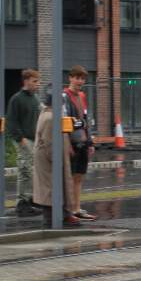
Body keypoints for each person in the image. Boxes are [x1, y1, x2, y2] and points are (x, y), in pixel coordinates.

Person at [34, 96, 79, 225]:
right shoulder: (51, 118)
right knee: (51, 188)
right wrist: (57, 159)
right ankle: (53, 218)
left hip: (46, 158)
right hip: (49, 159)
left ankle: (62, 215)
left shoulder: (45, 114)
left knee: (51, 187)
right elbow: (49, 142)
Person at [62, 66, 97, 220]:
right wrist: (67, 144)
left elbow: (85, 120)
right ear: (70, 78)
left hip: (83, 142)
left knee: (79, 176)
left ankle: (76, 208)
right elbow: (64, 123)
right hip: (71, 143)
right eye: (77, 78)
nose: (80, 81)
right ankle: (68, 209)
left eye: (82, 79)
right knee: (69, 178)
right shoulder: (64, 96)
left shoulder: (82, 96)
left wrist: (90, 142)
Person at [5, 69, 41, 216]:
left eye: (38, 81)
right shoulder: (17, 99)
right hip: (24, 140)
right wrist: (21, 139)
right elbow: (11, 121)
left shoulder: (35, 99)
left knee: (32, 171)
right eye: (34, 81)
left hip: (35, 140)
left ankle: (30, 199)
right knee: (25, 170)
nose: (37, 84)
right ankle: (22, 203)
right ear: (26, 81)